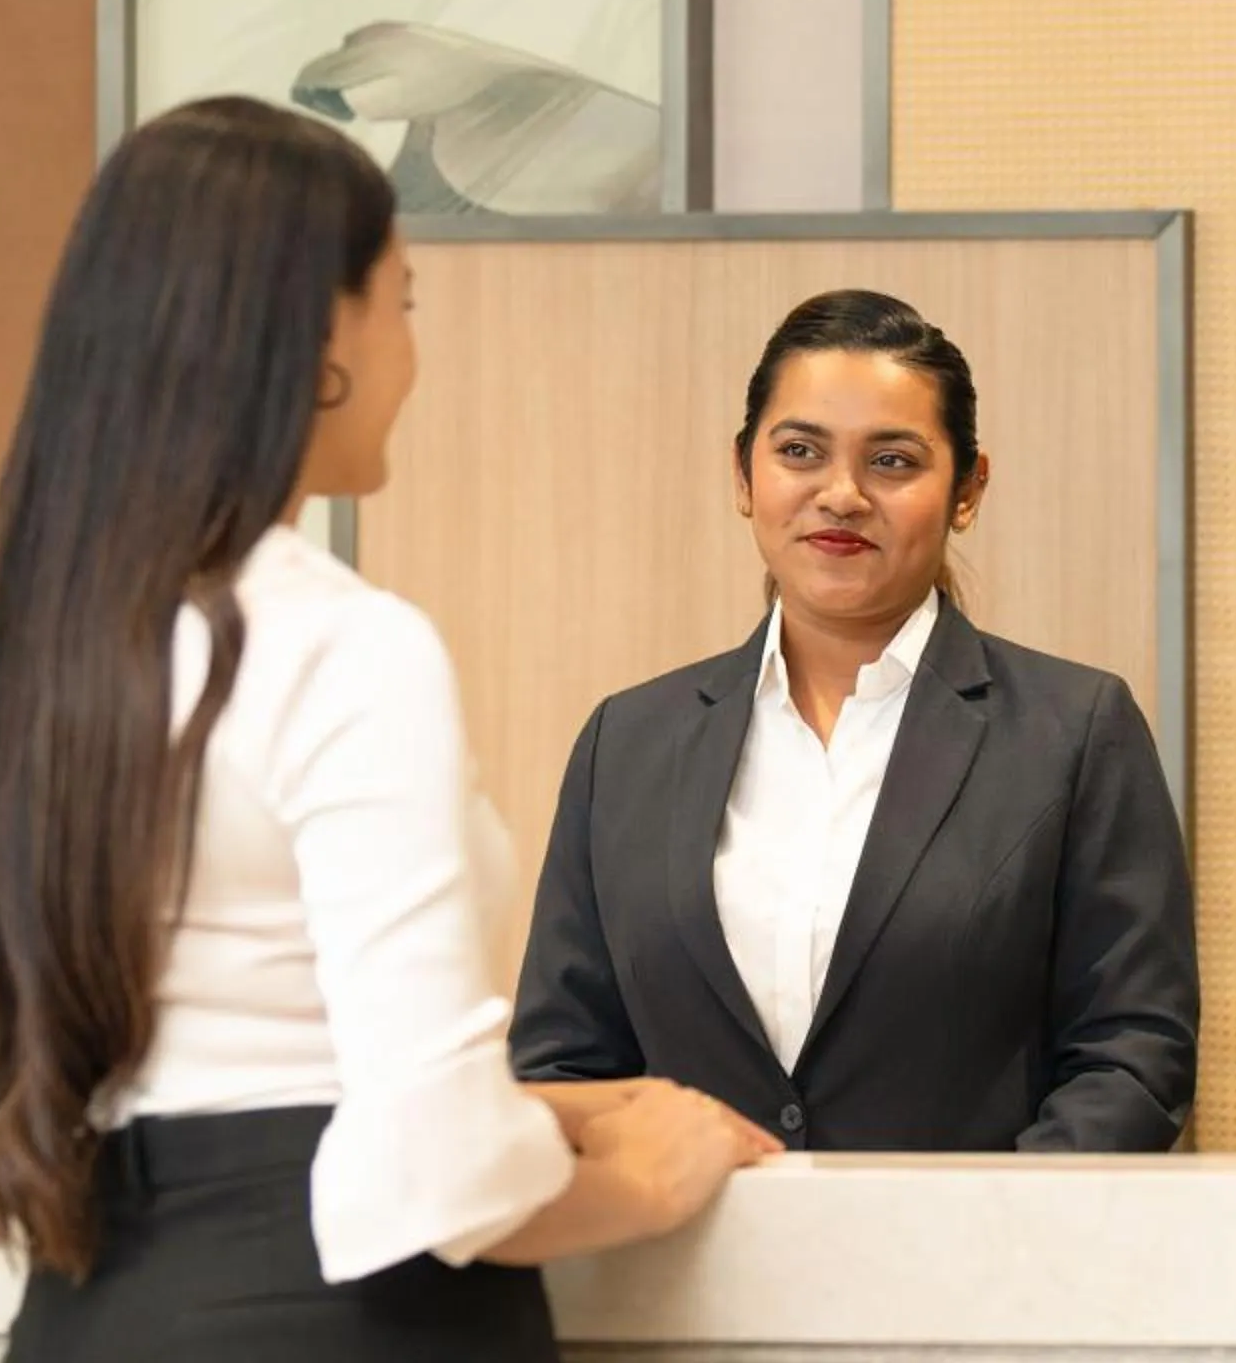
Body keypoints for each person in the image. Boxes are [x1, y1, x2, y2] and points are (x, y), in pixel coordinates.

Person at [0, 97, 776, 1363]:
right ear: (323, 330)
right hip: (330, 1317)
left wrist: (542, 1105)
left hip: (92, 1310)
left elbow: (240, 1040)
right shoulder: (344, 642)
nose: (412, 353)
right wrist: (652, 1175)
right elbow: (434, 1171)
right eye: (405, 300)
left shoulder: (69, 642)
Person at [512, 289, 1198, 1151]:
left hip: (972, 1269)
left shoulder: (1074, 731)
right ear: (742, 474)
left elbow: (1133, 1054)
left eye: (894, 461)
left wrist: (986, 1242)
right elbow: (563, 1060)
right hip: (686, 1268)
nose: (840, 495)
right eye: (799, 451)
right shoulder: (628, 742)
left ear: (967, 489)